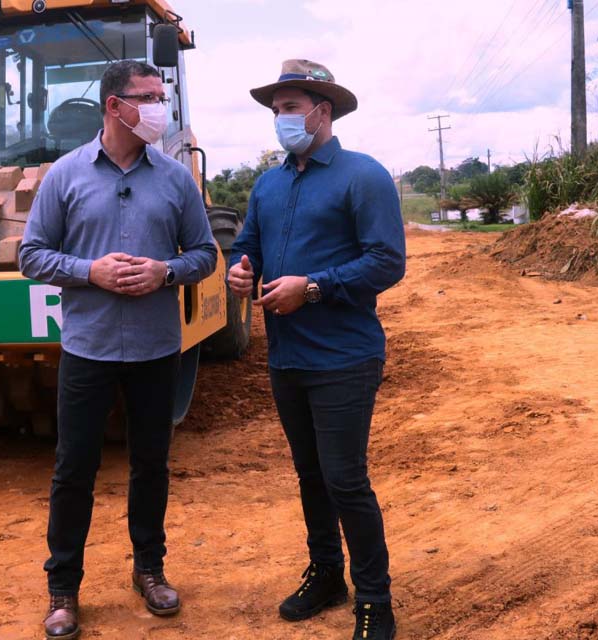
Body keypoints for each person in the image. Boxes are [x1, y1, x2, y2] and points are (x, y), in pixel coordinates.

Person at [20, 59, 218, 640]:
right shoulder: (65, 175)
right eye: (149, 97)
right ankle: (63, 590)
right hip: (89, 348)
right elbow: (32, 256)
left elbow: (205, 253)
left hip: (158, 350)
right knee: (73, 469)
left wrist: (166, 271)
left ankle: (150, 571)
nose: (161, 107)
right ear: (114, 106)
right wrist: (90, 271)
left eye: (162, 95)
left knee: (151, 465)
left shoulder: (176, 179)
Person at [228, 59, 406, 640]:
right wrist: (239, 267)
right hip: (287, 358)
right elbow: (247, 244)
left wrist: (313, 287)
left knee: (345, 479)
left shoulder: (363, 176)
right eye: (276, 110)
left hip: (344, 357)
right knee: (310, 475)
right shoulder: (269, 183)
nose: (280, 119)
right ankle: (328, 572)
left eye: (288, 108)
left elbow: (387, 261)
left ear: (322, 111)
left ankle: (375, 601)